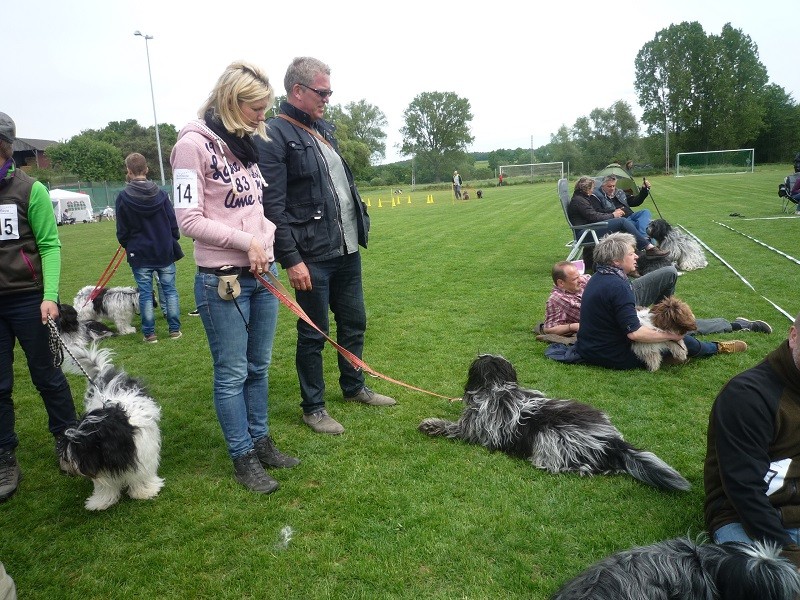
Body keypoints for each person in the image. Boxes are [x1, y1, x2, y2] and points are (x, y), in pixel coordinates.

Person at [170, 61, 298, 494]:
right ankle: (242, 455)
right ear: (231, 100)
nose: (263, 116)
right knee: (232, 371)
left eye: (265, 107)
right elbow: (188, 220)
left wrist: (265, 241)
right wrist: (246, 244)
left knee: (259, 367)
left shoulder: (246, 144)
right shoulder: (191, 145)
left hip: (262, 272)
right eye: (256, 107)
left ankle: (262, 442)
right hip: (221, 278)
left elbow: (256, 209)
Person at [257, 56, 396, 436]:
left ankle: (354, 388)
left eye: (330, 91)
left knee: (354, 323)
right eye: (323, 92)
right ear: (297, 91)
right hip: (311, 256)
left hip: (346, 250)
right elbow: (274, 206)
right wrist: (291, 259)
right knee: (313, 332)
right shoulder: (273, 135)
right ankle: (313, 407)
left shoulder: (324, 130)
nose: (328, 98)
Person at [0, 111, 78, 502]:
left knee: (48, 376)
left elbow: (49, 245)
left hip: (29, 300)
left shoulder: (30, 190)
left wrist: (50, 295)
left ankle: (68, 441)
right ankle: (3, 455)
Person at [704, 312, 800, 567]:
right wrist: (790, 556)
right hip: (745, 518)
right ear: (793, 336)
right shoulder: (747, 397)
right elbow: (744, 489)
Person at [572, 233, 747, 370]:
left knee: (673, 332)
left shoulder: (599, 276)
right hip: (610, 353)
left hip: (590, 347)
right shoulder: (617, 286)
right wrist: (672, 335)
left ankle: (729, 328)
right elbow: (635, 334)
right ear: (616, 260)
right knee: (682, 339)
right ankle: (716, 348)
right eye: (631, 254)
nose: (637, 257)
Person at [542, 260, 772, 338]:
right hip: (616, 315)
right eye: (574, 279)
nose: (579, 280)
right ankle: (737, 325)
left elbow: (595, 279)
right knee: (677, 330)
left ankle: (664, 314)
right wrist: (574, 326)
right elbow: (549, 328)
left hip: (623, 297)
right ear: (560, 283)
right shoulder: (556, 300)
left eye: (579, 275)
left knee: (669, 272)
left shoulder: (583, 281)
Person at [115, 152, 183, 343]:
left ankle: (150, 334)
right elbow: (172, 223)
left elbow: (122, 229)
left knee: (145, 292)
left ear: (128, 171)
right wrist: (171, 240)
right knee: (170, 290)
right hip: (164, 251)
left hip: (140, 253)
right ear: (146, 169)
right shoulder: (161, 194)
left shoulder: (123, 197)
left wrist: (128, 245)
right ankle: (174, 330)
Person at [568, 176, 668, 259]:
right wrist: (612, 215)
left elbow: (593, 215)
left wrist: (644, 191)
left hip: (590, 229)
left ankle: (646, 245)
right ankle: (649, 247)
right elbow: (594, 216)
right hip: (586, 233)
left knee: (643, 212)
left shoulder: (581, 199)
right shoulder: (580, 201)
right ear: (587, 188)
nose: (593, 190)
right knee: (622, 222)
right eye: (592, 188)